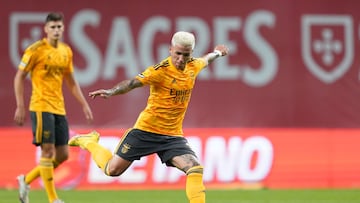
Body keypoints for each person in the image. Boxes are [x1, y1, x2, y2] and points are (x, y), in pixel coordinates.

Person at [68, 31, 229, 203]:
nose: (181, 59)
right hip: (146, 131)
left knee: (195, 169)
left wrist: (218, 53)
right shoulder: (159, 71)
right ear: (170, 50)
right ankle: (89, 141)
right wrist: (111, 91)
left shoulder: (193, 66)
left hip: (172, 135)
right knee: (112, 170)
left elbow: (206, 60)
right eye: (178, 54)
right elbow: (132, 83)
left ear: (191, 54)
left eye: (186, 55)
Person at [14, 12, 93, 203]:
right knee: (48, 152)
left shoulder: (66, 51)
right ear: (46, 29)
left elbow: (72, 82)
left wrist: (84, 104)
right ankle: (53, 199)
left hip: (59, 108)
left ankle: (26, 180)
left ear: (63, 28)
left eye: (59, 27)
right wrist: (20, 105)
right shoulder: (35, 50)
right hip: (41, 106)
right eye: (53, 27)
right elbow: (19, 77)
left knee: (63, 155)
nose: (56, 30)